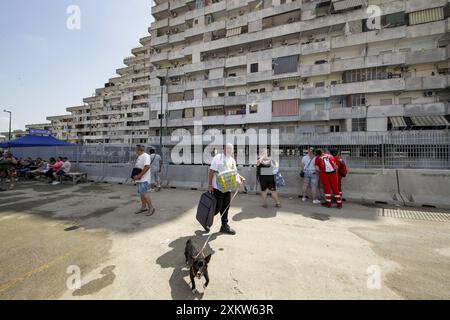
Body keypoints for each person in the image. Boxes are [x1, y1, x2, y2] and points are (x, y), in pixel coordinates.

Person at [208, 143, 245, 235]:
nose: (229, 150)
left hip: (227, 187)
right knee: (218, 207)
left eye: (231, 148)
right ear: (223, 148)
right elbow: (211, 171)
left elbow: (234, 172)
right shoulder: (218, 158)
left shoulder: (232, 160)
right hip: (217, 187)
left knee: (226, 207)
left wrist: (240, 177)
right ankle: (206, 220)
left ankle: (224, 225)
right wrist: (210, 185)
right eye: (227, 148)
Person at [132, 145, 156, 216]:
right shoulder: (140, 156)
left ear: (139, 150)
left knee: (145, 194)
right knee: (142, 194)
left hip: (143, 179)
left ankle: (151, 208)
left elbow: (147, 167)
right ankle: (143, 207)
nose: (135, 151)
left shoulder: (145, 156)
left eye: (135, 149)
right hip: (140, 179)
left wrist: (139, 176)